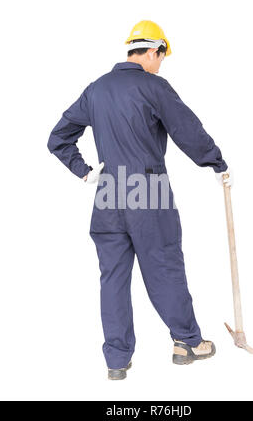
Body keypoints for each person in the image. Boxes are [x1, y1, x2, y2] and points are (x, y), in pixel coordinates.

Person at [47, 20, 233, 380]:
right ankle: (187, 342)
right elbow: (187, 131)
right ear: (152, 51)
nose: (161, 64)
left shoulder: (96, 90)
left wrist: (85, 171)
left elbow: (58, 138)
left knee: (113, 278)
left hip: (108, 193)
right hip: (149, 192)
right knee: (164, 267)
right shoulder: (154, 87)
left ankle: (116, 361)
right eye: (161, 57)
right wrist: (216, 161)